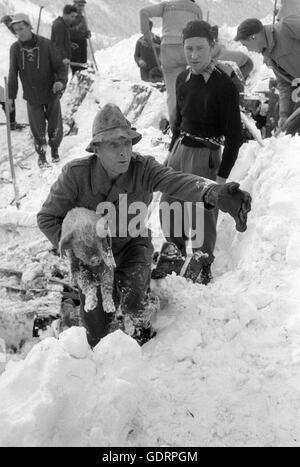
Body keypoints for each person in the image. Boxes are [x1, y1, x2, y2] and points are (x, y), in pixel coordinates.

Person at [37, 103, 251, 347]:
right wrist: (74, 248)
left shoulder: (143, 168)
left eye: (127, 143)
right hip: (94, 255)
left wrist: (214, 193)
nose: (123, 152)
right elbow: (46, 218)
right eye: (113, 145)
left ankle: (143, 326)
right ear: (96, 149)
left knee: (134, 306)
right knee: (96, 330)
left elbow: (176, 181)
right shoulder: (75, 175)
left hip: (132, 246)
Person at [159, 20, 243, 285]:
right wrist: (171, 152)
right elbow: (178, 120)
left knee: (202, 211)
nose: (194, 55)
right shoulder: (183, 79)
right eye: (189, 48)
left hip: (205, 155)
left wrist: (221, 177)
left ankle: (201, 262)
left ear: (212, 48)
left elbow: (235, 137)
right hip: (180, 150)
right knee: (169, 203)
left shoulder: (224, 85)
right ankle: (173, 252)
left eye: (200, 49)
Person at [8, 13, 67, 167]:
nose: (19, 32)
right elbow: (12, 74)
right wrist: (10, 97)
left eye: (21, 28)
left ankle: (54, 150)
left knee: (55, 125)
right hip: (32, 95)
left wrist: (60, 82)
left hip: (50, 92)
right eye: (16, 30)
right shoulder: (15, 49)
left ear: (29, 26)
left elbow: (60, 67)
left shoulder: (46, 44)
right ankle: (41, 155)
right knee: (37, 128)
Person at [140, 0, 203, 127]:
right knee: (196, 86)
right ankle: (195, 125)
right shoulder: (195, 8)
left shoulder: (166, 6)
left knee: (173, 93)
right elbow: (202, 33)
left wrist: (146, 34)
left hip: (169, 49)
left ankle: (176, 129)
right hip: (190, 48)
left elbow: (144, 12)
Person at [234, 17, 300, 134]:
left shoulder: (286, 27)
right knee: (292, 131)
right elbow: (284, 84)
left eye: (245, 45)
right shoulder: (270, 57)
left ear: (253, 37)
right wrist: (284, 114)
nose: (248, 50)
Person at [0, 15, 24, 130]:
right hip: (2, 75)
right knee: (7, 98)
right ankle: (12, 123)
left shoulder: (10, 37)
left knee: (7, 99)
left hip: (4, 76)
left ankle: (12, 123)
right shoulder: (5, 37)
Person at [51, 4, 78, 69]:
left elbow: (62, 41)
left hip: (63, 61)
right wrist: (63, 58)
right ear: (65, 15)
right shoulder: (59, 25)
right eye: (72, 16)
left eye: (75, 16)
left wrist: (70, 45)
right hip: (60, 61)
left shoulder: (64, 25)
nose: (74, 19)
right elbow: (58, 44)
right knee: (60, 79)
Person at [70, 0, 91, 75]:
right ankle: (74, 82)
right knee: (76, 65)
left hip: (83, 43)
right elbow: (66, 32)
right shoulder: (70, 17)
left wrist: (87, 34)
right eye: (79, 5)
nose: (81, 7)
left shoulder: (83, 18)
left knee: (83, 65)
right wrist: (77, 28)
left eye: (82, 6)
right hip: (74, 43)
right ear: (74, 5)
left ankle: (82, 83)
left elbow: (84, 32)